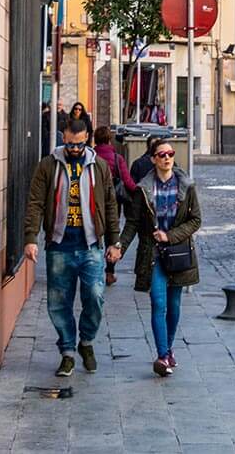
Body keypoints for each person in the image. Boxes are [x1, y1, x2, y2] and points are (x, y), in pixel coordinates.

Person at [23, 114, 120, 377]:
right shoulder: (48, 165)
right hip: (59, 246)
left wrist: (115, 241)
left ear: (87, 139)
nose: (74, 149)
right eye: (70, 144)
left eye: (79, 144)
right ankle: (67, 351)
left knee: (95, 297)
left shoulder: (98, 166)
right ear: (64, 138)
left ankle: (86, 341)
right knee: (58, 302)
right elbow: (35, 203)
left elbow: (110, 205)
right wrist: (31, 237)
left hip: (91, 246)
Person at [119, 137, 202, 378]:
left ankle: (169, 347)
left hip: (178, 252)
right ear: (153, 159)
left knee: (174, 306)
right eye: (162, 155)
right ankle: (163, 355)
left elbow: (196, 220)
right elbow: (132, 223)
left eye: (170, 154)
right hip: (153, 253)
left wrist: (171, 235)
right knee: (158, 302)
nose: (167, 158)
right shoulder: (143, 189)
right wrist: (119, 247)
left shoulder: (186, 185)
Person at [93, 128, 135, 285]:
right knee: (112, 234)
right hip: (113, 203)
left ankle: (94, 269)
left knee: (94, 233)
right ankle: (109, 272)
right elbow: (128, 181)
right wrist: (139, 190)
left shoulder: (92, 156)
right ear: (109, 140)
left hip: (93, 201)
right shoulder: (117, 158)